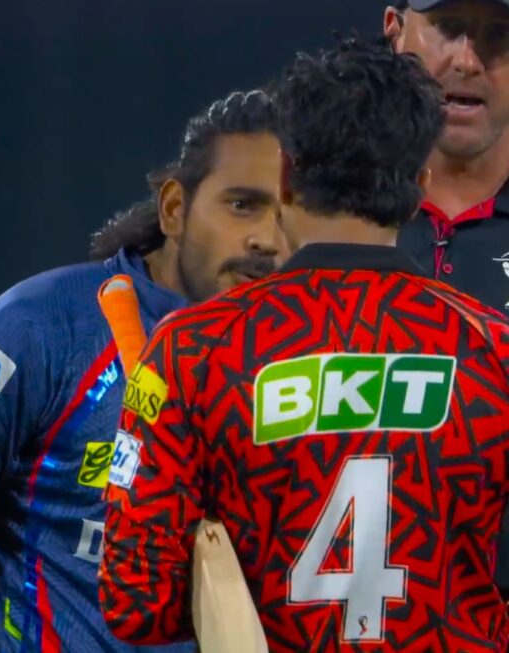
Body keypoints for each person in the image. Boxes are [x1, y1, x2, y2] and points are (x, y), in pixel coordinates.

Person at [98, 37, 509, 650]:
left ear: (285, 174)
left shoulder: (193, 350)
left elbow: (137, 604)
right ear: (421, 181)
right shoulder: (494, 349)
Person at [0, 90, 286, 653]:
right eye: (243, 205)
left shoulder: (298, 355)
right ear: (174, 209)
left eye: (288, 213)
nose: (268, 238)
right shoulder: (40, 327)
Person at [385, 0, 509, 592]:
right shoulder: (319, 219)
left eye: (496, 36)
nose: (466, 61)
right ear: (394, 30)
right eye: (449, 28)